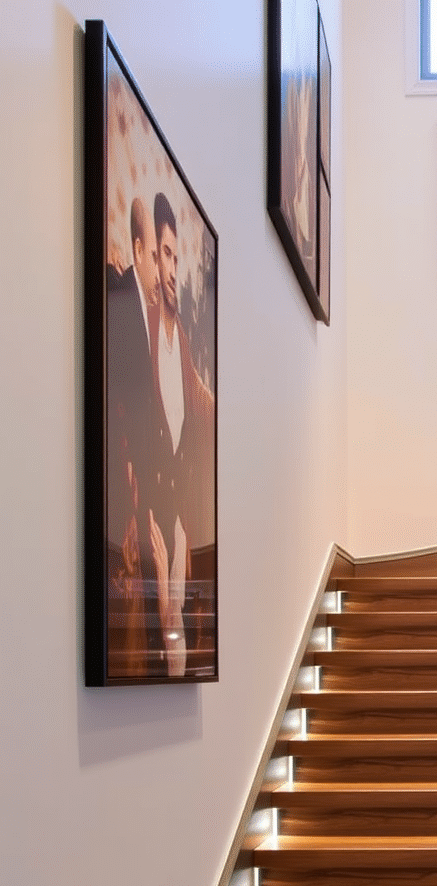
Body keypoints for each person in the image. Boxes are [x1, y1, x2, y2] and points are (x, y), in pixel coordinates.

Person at [147, 191, 215, 678]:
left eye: (176, 255)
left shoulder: (184, 346)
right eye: (164, 254)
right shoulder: (145, 330)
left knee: (178, 623)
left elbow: (197, 423)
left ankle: (176, 665)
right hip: (154, 505)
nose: (171, 267)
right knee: (166, 616)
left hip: (178, 515)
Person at [105, 197, 160, 675]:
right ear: (139, 250)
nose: (165, 271)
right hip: (122, 487)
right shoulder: (120, 297)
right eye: (160, 255)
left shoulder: (146, 310)